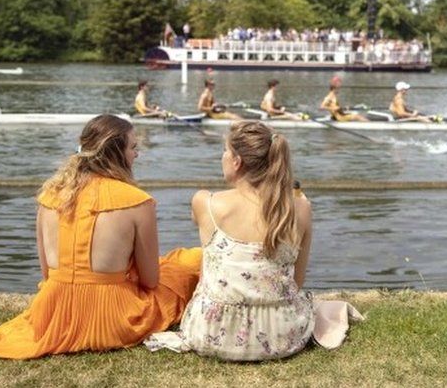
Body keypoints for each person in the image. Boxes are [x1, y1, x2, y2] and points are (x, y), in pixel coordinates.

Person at [0, 115, 203, 359]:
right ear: (116, 153)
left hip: (54, 314)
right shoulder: (137, 201)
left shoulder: (51, 196)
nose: (137, 154)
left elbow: (47, 274)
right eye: (133, 147)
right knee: (188, 262)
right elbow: (149, 281)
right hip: (114, 319)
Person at [145, 121, 355, 360]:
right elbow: (297, 281)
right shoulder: (300, 207)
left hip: (210, 334)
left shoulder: (206, 203)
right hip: (283, 336)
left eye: (225, 151)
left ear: (236, 161)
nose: (222, 157)